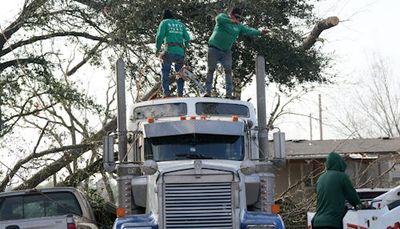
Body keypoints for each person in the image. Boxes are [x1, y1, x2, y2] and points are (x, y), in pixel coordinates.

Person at [205, 7, 268, 98]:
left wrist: (260, 32)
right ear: (232, 15)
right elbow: (218, 18)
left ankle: (229, 94)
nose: (238, 19)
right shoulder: (223, 18)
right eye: (236, 17)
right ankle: (207, 92)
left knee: (228, 70)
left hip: (226, 51)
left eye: (239, 18)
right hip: (214, 48)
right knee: (211, 69)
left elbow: (249, 30)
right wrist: (230, 21)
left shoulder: (239, 26)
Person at [312, 152, 361, 229]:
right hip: (332, 222)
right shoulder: (342, 177)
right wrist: (359, 204)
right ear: (340, 164)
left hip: (317, 222)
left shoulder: (320, 178)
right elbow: (352, 196)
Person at [155, 9, 190, 97]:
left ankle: (166, 93)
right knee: (180, 73)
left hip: (169, 51)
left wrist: (157, 50)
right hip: (180, 53)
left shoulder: (164, 22)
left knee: (165, 72)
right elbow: (187, 38)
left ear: (163, 17)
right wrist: (186, 47)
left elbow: (159, 37)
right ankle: (180, 94)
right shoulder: (181, 24)